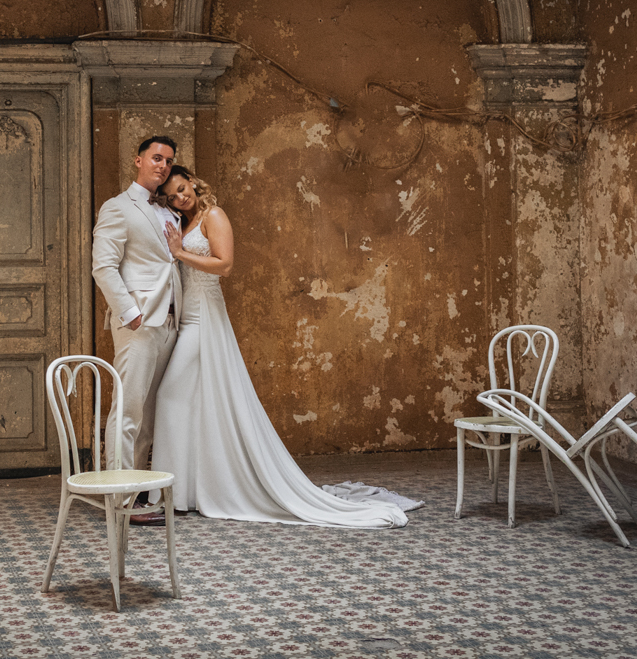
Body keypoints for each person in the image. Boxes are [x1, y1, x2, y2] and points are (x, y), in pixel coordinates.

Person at [152, 165, 415, 528]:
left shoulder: (214, 215)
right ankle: (186, 492)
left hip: (206, 317)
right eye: (172, 196)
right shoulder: (182, 221)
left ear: (193, 182)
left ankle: (170, 491)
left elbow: (224, 265)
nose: (180, 198)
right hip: (187, 315)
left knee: (168, 395)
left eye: (182, 189)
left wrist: (180, 253)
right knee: (194, 401)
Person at [91, 136, 183, 526]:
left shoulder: (169, 210)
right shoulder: (117, 207)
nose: (163, 165)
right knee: (127, 410)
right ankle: (120, 501)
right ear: (139, 160)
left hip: (170, 321)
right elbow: (103, 266)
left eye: (169, 161)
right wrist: (129, 313)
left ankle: (138, 493)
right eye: (156, 158)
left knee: (147, 414)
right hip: (140, 322)